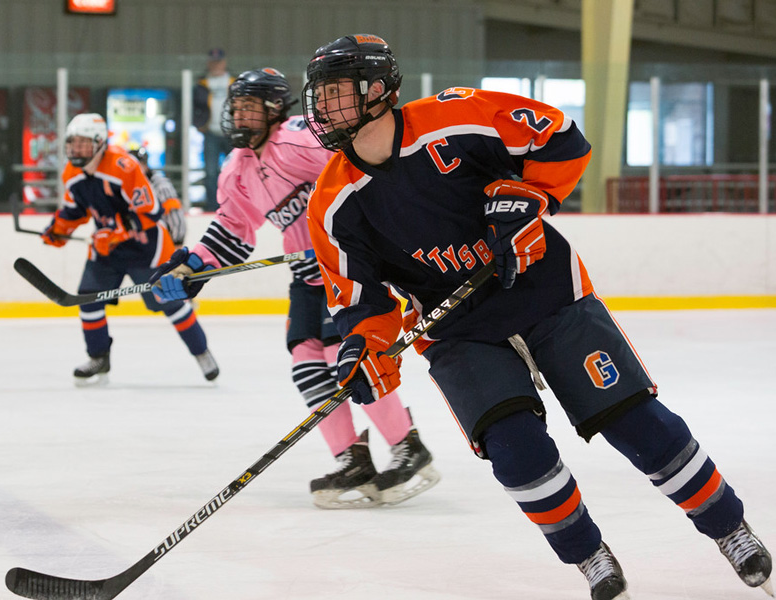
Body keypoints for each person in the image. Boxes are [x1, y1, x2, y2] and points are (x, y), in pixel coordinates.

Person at [301, 34, 772, 599]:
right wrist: (362, 346)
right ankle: (588, 555)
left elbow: (561, 140)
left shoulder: (456, 117)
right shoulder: (329, 202)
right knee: (517, 451)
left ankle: (730, 529)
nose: (322, 107)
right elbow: (360, 300)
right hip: (458, 331)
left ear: (379, 90)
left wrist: (529, 196)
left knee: (635, 421)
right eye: (320, 95)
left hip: (546, 293)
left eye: (336, 93)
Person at [149, 68, 440, 509]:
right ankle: (352, 460)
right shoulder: (238, 168)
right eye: (237, 107)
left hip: (344, 268)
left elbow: (358, 180)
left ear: (273, 110)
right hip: (308, 278)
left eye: (250, 107)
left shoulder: (298, 140)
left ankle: (408, 447)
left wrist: (337, 234)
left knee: (346, 358)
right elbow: (234, 228)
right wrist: (194, 267)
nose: (240, 115)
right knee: (306, 363)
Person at [40, 113, 219, 385]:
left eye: (83, 143)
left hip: (147, 248)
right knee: (88, 301)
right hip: (106, 250)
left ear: (100, 143)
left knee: (172, 302)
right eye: (72, 143)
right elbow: (74, 209)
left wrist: (116, 234)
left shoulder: (123, 165)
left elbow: (150, 211)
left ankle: (201, 351)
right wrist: (58, 229)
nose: (76, 149)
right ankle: (99, 358)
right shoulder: (71, 173)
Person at [193, 48, 235, 212]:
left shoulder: (233, 81)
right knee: (210, 173)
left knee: (235, 170)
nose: (216, 65)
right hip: (210, 133)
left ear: (224, 63)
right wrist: (199, 124)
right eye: (213, 62)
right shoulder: (202, 84)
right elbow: (194, 106)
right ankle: (212, 207)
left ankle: (234, 205)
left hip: (231, 133)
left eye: (219, 62)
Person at [128, 145, 187, 250]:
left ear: (145, 166)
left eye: (138, 165)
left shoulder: (160, 185)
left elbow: (176, 218)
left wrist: (176, 246)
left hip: (161, 246)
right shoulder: (126, 185)